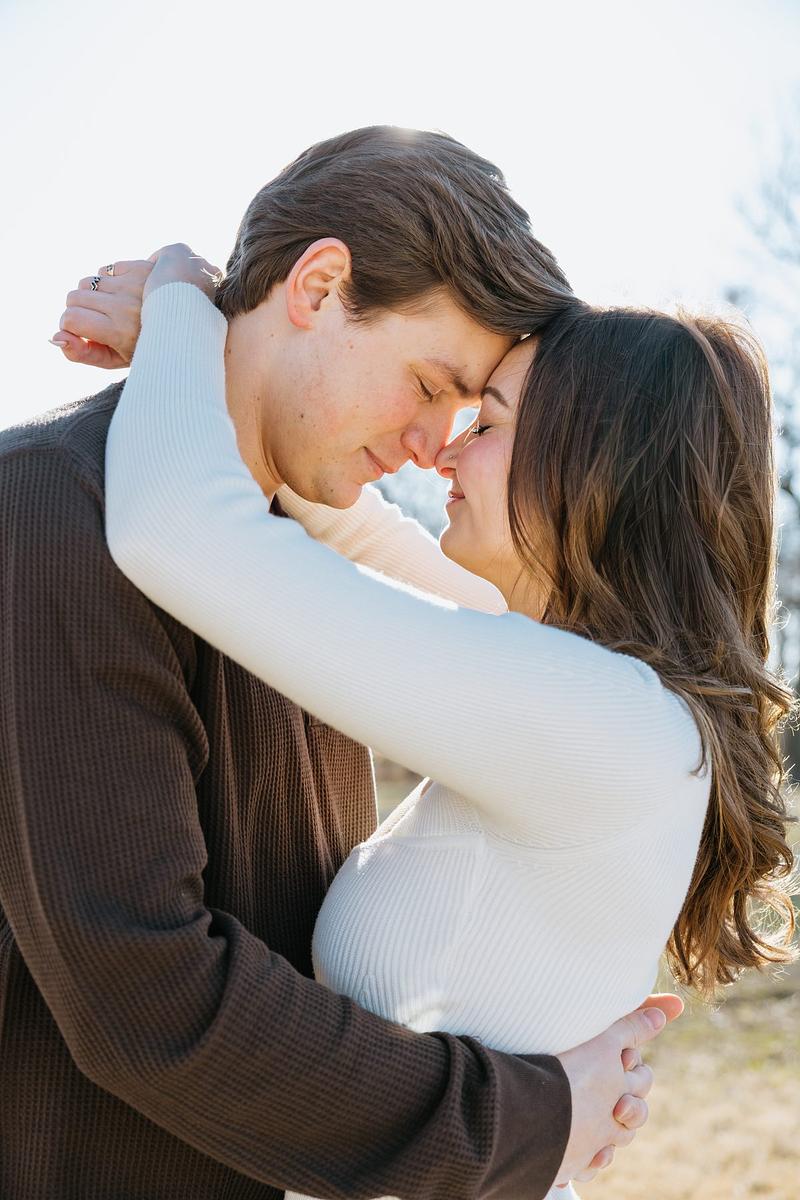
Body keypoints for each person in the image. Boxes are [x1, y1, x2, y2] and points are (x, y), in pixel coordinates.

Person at [0, 128, 668, 1200]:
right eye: (428, 384)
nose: (432, 448)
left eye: (468, 416)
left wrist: (186, 329)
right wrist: (522, 1117)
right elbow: (143, 986)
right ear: (317, 286)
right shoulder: (52, 501)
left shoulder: (297, 559)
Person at [103, 245, 797, 1200]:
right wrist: (230, 369)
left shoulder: (601, 723)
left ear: (593, 466)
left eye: (490, 421)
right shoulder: (595, 696)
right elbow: (350, 535)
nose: (444, 450)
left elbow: (176, 530)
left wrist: (182, 300)